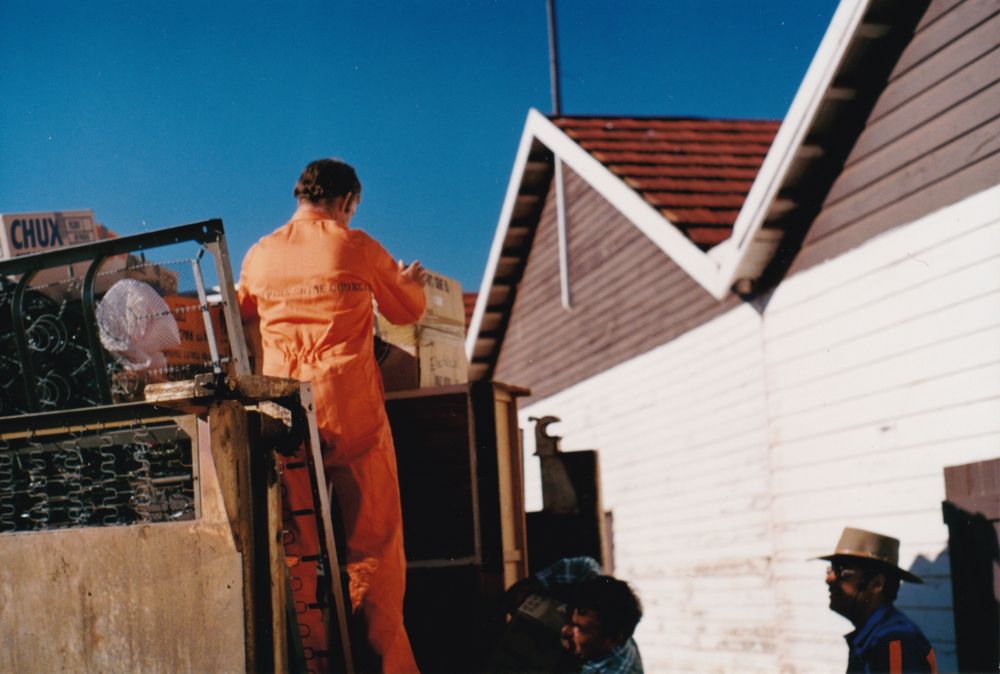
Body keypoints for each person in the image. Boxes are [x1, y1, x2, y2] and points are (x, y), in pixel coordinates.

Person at [238, 158, 427, 673]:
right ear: (346, 202)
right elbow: (408, 311)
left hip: (284, 412)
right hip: (350, 410)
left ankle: (309, 660)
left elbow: (240, 312)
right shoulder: (355, 245)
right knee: (373, 546)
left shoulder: (261, 254)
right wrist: (409, 281)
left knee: (297, 542)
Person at [818, 527, 938, 673]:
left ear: (876, 584)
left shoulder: (893, 639)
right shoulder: (874, 636)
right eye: (830, 569)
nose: (829, 579)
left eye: (842, 570)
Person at [505, 557, 644, 674]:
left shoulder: (617, 669)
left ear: (611, 640)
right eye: (569, 619)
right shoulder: (584, 574)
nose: (564, 630)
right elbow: (518, 593)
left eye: (580, 629)